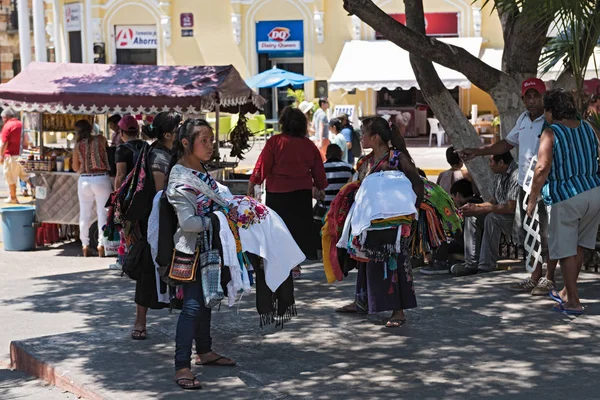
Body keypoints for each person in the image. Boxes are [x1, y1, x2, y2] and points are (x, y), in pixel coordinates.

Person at [460, 78, 558, 294]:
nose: (532, 101)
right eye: (528, 96)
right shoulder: (523, 119)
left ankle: (548, 278)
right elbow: (507, 144)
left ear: (543, 97)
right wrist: (478, 152)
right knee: (529, 234)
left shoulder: (549, 121)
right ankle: (534, 276)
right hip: (525, 186)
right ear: (523, 99)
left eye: (536, 96)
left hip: (545, 186)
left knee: (546, 234)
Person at [334, 117, 424, 327]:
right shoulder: (365, 162)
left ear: (374, 138)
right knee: (366, 261)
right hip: (369, 221)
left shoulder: (397, 159)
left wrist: (412, 213)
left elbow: (417, 183)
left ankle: (398, 311)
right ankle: (362, 301)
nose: (360, 137)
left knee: (395, 262)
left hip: (394, 223)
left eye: (363, 133)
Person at [167, 119, 236, 390]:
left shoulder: (200, 171)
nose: (210, 146)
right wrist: (221, 219)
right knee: (193, 307)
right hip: (192, 251)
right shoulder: (180, 179)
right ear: (186, 143)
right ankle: (181, 366)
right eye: (203, 141)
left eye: (211, 140)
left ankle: (205, 351)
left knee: (206, 302)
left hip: (209, 249)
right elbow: (188, 223)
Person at [527, 89, 600, 315]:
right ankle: (568, 292)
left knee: (566, 250)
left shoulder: (551, 132)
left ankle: (573, 301)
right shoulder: (589, 127)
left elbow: (541, 167)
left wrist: (532, 197)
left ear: (550, 110)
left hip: (566, 196)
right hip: (593, 192)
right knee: (577, 246)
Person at [249, 107, 328, 261]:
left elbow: (262, 166)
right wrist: (320, 187)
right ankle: (296, 263)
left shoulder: (274, 142)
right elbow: (318, 170)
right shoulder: (308, 145)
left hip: (277, 194)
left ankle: (282, 262)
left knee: (278, 229)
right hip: (301, 194)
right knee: (299, 229)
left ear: (283, 124)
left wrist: (252, 184)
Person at [128, 112, 181, 341]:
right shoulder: (159, 156)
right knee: (148, 270)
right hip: (155, 220)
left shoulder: (165, 151)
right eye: (178, 129)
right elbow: (162, 194)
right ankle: (140, 321)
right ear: (168, 134)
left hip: (160, 218)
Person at [450, 152, 519, 276]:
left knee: (492, 218)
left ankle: (486, 265)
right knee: (472, 216)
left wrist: (484, 209)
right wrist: (475, 207)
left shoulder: (516, 175)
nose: (489, 165)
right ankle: (471, 264)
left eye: (491, 162)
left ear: (501, 163)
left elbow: (510, 207)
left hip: (516, 219)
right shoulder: (499, 176)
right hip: (501, 214)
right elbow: (492, 202)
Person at [420, 179, 483, 275]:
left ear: (457, 195)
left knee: (440, 240)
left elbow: (458, 231)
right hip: (477, 243)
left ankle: (440, 264)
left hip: (471, 244)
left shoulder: (467, 207)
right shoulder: (478, 202)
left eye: (453, 197)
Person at [71, 119, 112, 257]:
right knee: (103, 213)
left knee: (84, 214)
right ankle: (101, 244)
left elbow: (75, 167)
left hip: (84, 180)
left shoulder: (77, 146)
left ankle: (85, 245)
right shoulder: (101, 139)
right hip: (101, 178)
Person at [0, 108, 30, 204]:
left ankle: (13, 197)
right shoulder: (21, 124)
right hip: (23, 154)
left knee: (10, 177)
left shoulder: (7, 126)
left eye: (2, 118)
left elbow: (4, 143)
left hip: (11, 155)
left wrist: (1, 155)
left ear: (5, 117)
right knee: (25, 176)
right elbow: (26, 140)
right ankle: (35, 191)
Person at [115, 115, 144, 189]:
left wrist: (116, 195)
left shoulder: (122, 149)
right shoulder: (146, 146)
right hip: (144, 189)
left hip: (129, 191)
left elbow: (121, 175)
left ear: (121, 132)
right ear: (137, 131)